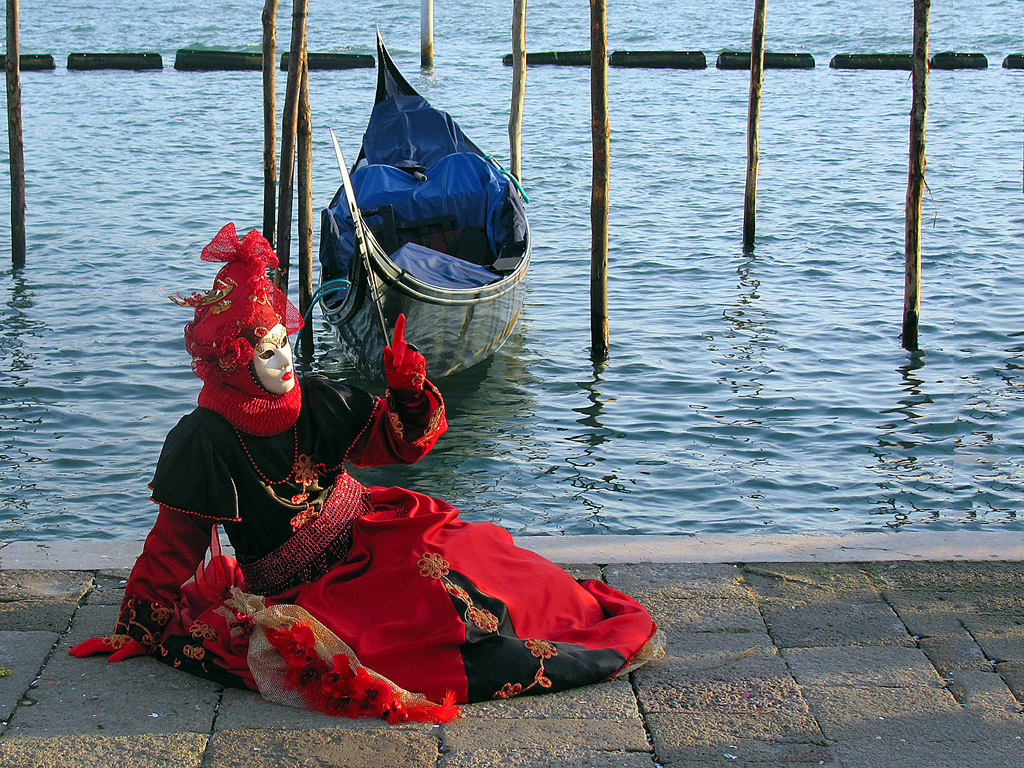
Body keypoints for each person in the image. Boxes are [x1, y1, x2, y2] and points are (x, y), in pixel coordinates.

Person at [70, 223, 662, 723]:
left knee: (494, 573)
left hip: (378, 527)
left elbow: (400, 445)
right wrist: (138, 626)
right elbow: (176, 543)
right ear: (234, 360)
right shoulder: (204, 439)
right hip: (306, 588)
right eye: (267, 353)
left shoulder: (317, 398)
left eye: (284, 343)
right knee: (420, 636)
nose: (285, 363)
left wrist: (406, 392)